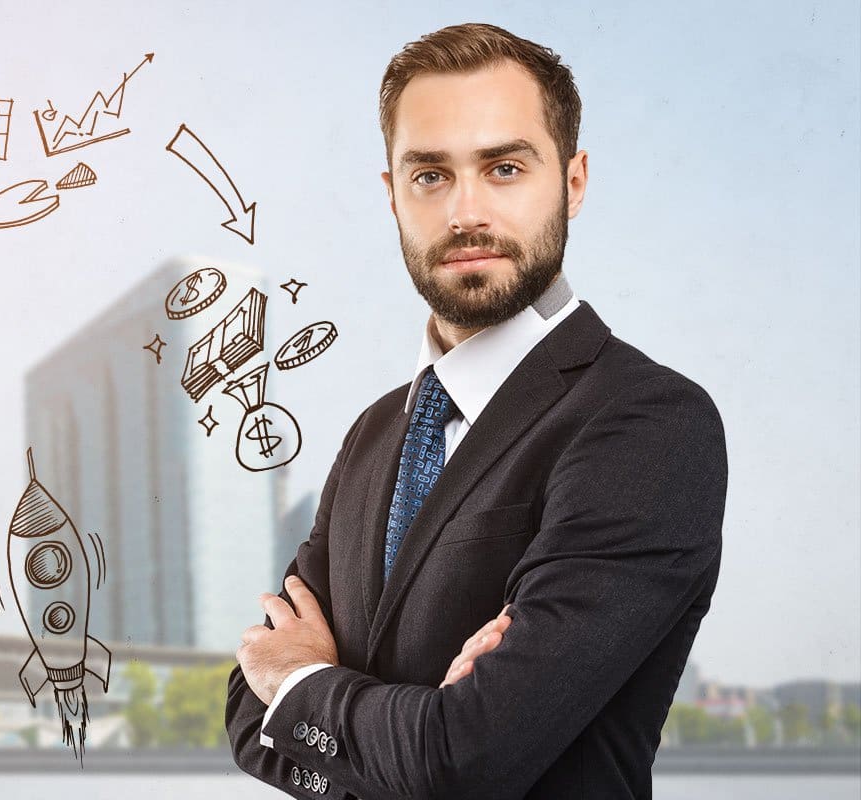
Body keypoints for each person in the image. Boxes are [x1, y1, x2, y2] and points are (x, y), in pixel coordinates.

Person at [225, 23, 728, 800]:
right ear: (391, 194)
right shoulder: (374, 431)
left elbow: (468, 759)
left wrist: (304, 683)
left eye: (504, 167)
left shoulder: (648, 422)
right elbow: (244, 715)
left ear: (573, 180)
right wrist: (416, 728)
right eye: (430, 175)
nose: (466, 212)